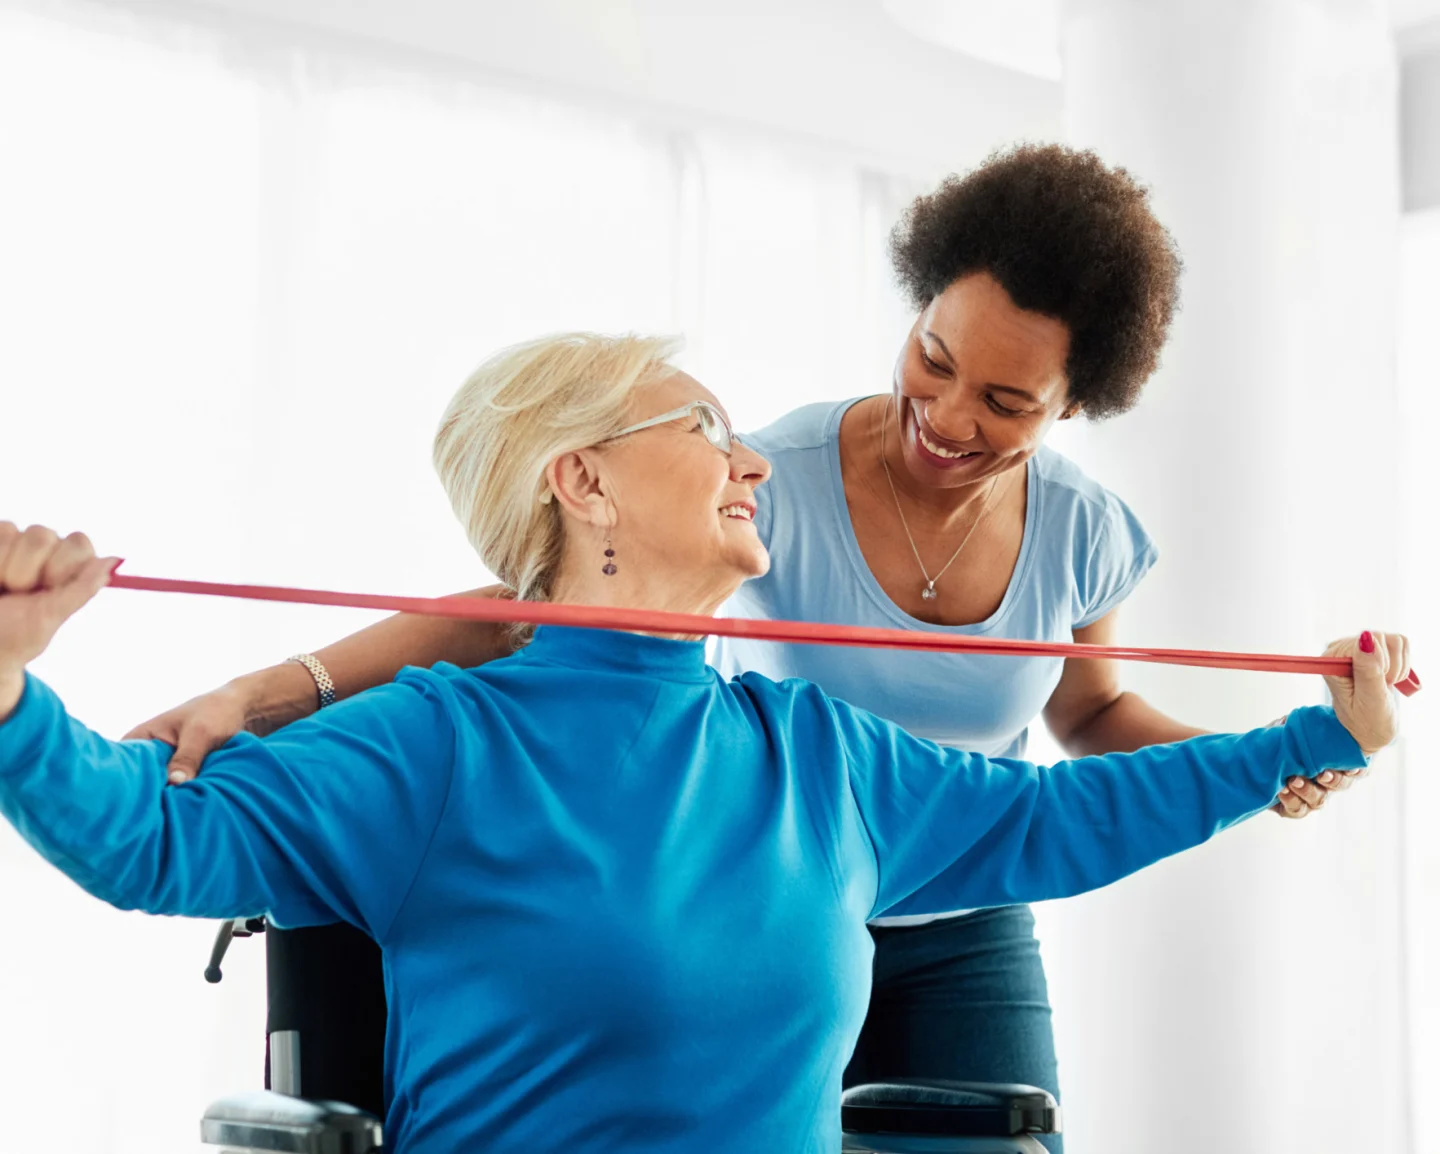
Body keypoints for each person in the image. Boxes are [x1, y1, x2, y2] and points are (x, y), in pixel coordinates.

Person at [128, 145, 1369, 1148]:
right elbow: (538, 600)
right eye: (933, 359)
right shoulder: (769, 475)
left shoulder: (1089, 533)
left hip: (959, 879)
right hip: (767, 876)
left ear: (1075, 404)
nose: (946, 415)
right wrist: (267, 687)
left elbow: (1089, 717)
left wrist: (1263, 757)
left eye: (1004, 402)